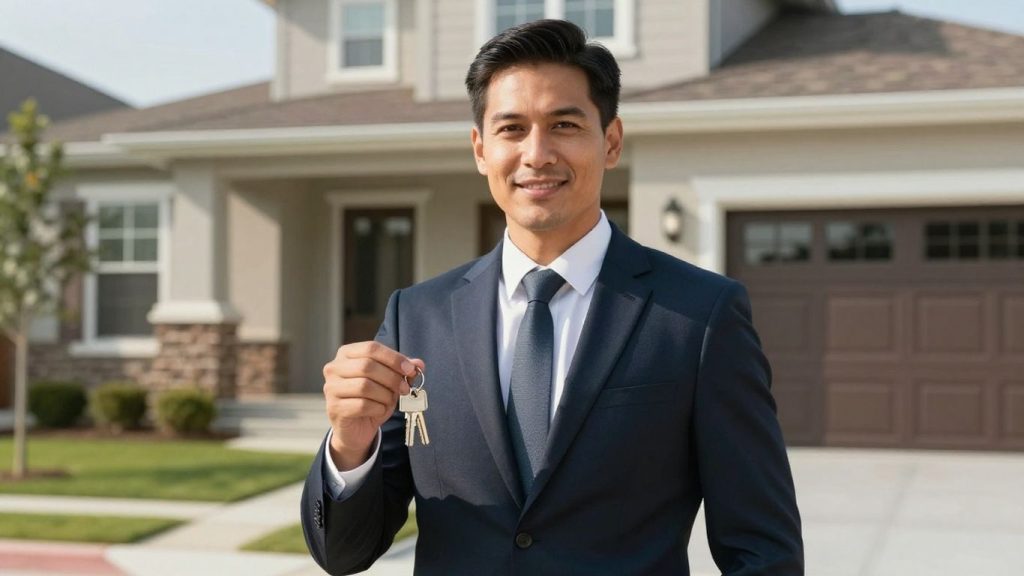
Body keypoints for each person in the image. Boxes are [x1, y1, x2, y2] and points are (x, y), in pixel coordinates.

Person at [302, 19, 803, 576]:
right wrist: (349, 445)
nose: (537, 154)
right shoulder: (417, 317)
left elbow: (764, 551)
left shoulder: (700, 316)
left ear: (610, 141)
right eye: (512, 129)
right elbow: (343, 553)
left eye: (564, 124)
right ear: (480, 149)